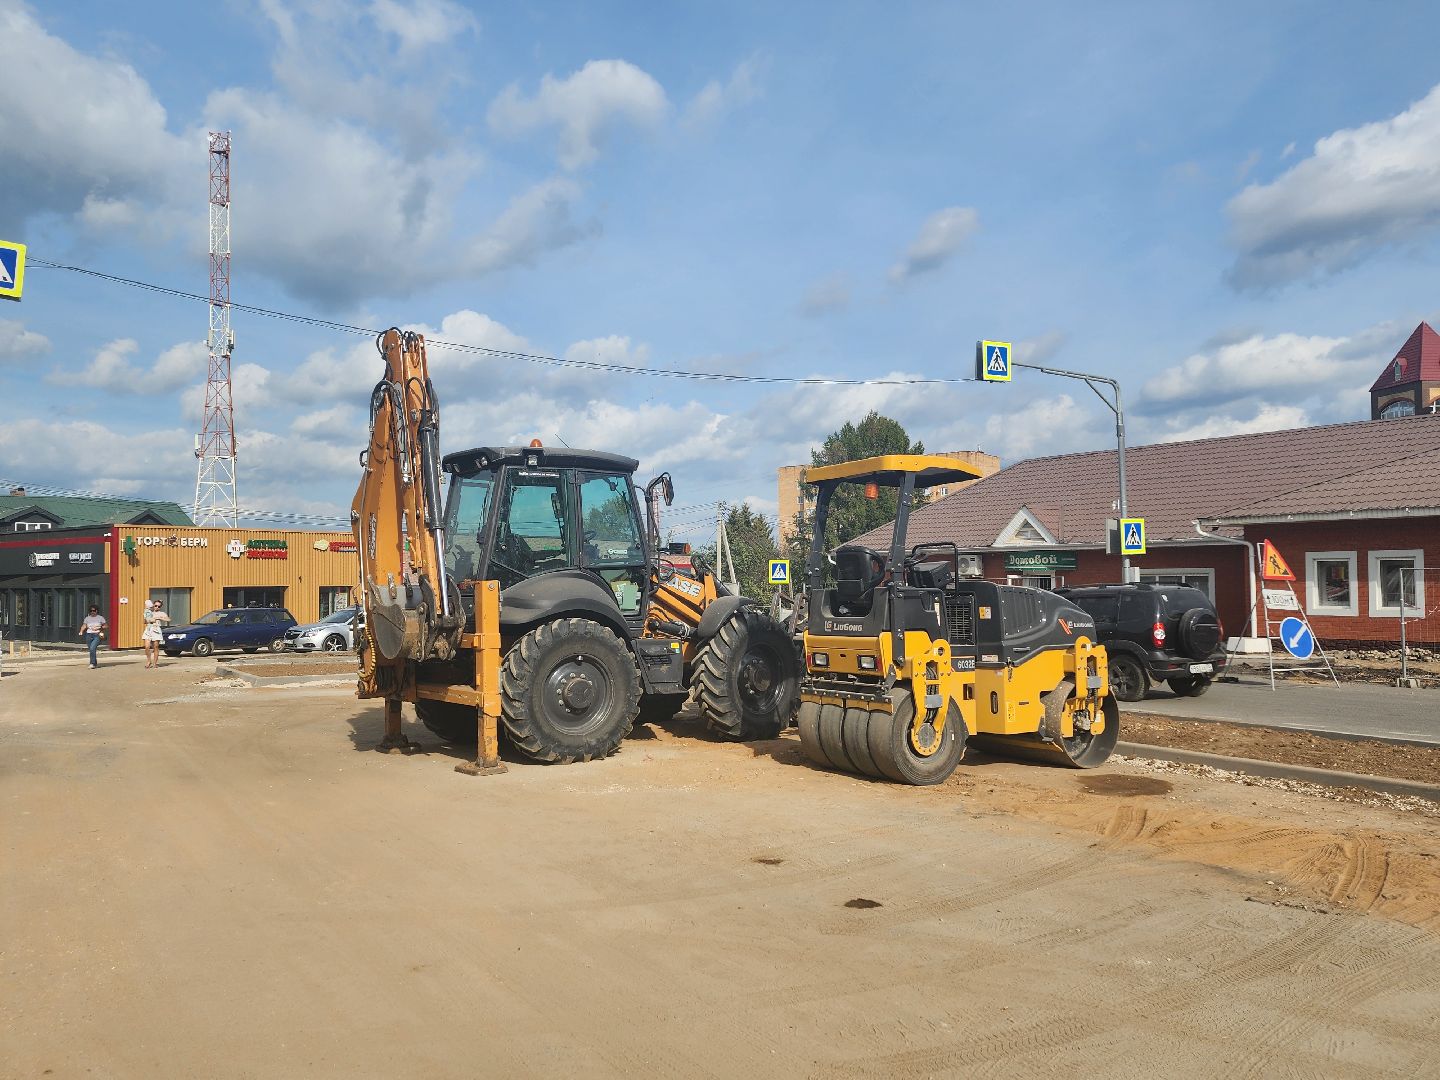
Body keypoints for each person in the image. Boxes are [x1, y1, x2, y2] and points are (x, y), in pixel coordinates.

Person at [142, 600, 170, 668]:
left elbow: (168, 619)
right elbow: (145, 621)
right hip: (148, 629)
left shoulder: (162, 613)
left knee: (156, 647)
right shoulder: (149, 611)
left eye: (159, 606)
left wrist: (159, 618)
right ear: (153, 605)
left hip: (156, 630)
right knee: (147, 646)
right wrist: (148, 620)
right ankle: (149, 661)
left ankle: (155, 663)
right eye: (156, 606)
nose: (157, 607)